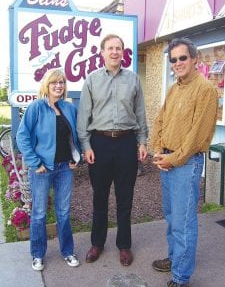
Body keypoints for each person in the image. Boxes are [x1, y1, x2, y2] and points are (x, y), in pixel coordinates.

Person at [151, 37, 218, 287]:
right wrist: (158, 150)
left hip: (185, 164)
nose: (177, 63)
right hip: (167, 159)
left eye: (182, 58)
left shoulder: (206, 90)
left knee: (184, 221)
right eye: (173, 60)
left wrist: (172, 159)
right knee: (171, 217)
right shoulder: (174, 87)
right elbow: (160, 121)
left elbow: (196, 136)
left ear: (194, 59)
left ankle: (181, 277)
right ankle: (174, 257)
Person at [77, 34, 148, 266]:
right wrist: (86, 145)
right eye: (110, 48)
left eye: (118, 48)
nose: (115, 52)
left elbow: (140, 113)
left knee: (125, 198)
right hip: (100, 144)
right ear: (102, 52)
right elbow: (83, 117)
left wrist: (142, 141)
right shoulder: (91, 80)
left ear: (123, 52)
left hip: (127, 143)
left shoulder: (133, 79)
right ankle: (97, 243)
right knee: (99, 197)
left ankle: (124, 245)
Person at [16, 69, 81, 271]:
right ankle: (37, 254)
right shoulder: (36, 107)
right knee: (39, 213)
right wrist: (35, 163)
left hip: (64, 169)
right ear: (47, 85)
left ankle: (67, 251)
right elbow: (22, 136)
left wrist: (75, 157)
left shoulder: (69, 109)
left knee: (63, 212)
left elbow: (75, 137)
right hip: (43, 169)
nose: (58, 86)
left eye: (61, 82)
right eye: (54, 82)